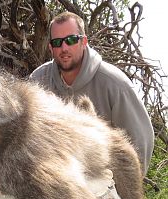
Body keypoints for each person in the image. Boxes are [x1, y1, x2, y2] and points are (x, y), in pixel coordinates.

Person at [30, 11, 154, 175]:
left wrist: (121, 190)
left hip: (105, 179)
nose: (64, 48)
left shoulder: (115, 84)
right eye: (58, 42)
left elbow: (141, 141)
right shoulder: (38, 81)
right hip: (59, 179)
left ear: (84, 41)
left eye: (72, 40)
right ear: (51, 48)